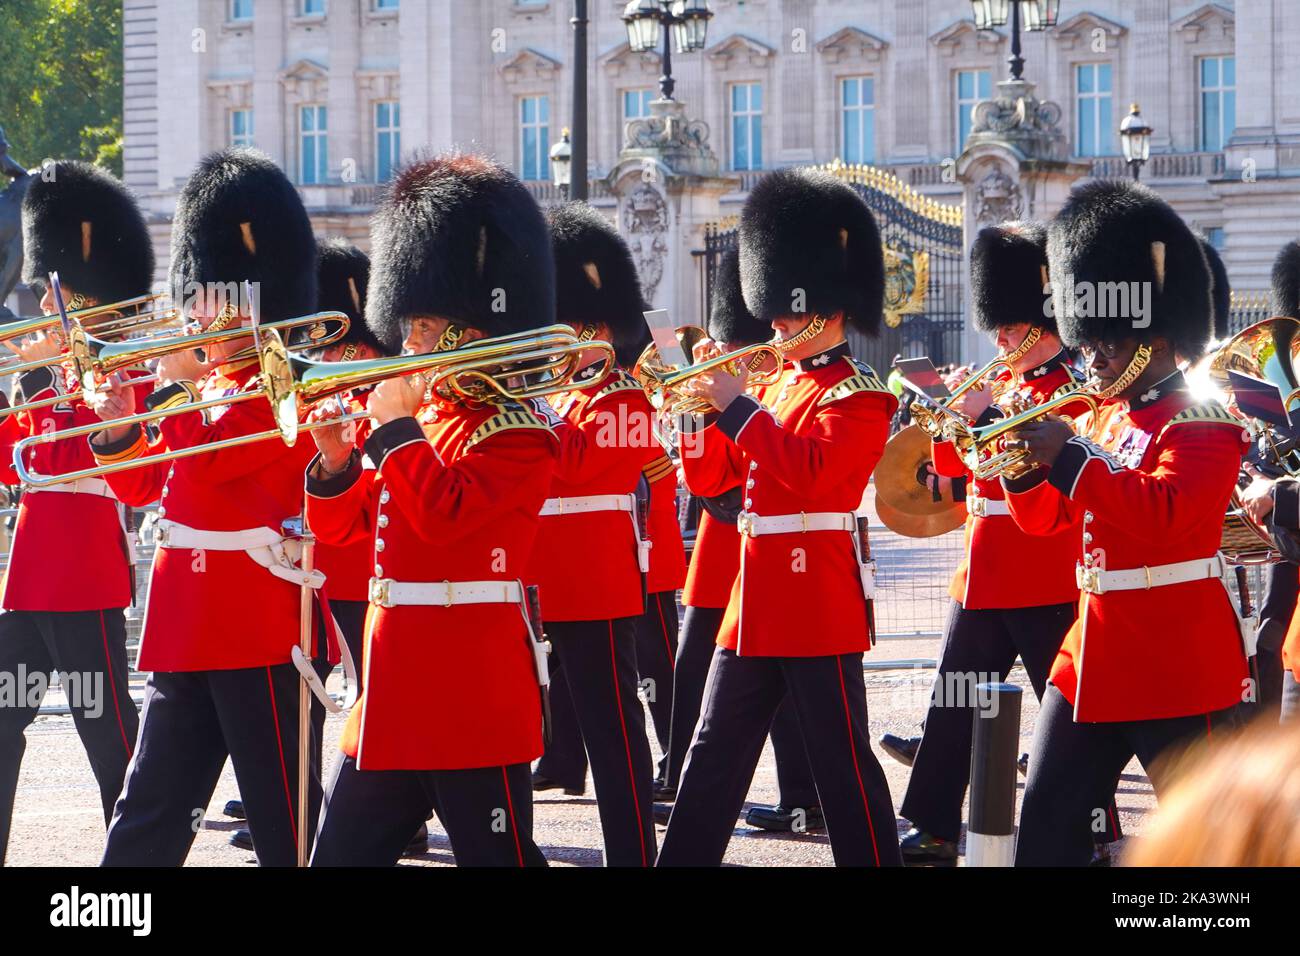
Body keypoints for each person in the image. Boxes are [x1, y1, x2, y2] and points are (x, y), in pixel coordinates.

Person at [308, 154, 556, 867]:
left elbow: (445, 517)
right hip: (391, 691)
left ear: (469, 331)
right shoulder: (422, 419)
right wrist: (334, 461)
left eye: (420, 328)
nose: (405, 344)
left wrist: (391, 432)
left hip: (469, 692)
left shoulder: (520, 432)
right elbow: (344, 532)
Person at [658, 168, 902, 867]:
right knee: (712, 754)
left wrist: (737, 406)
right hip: (755, 597)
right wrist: (698, 411)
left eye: (787, 314)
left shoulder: (858, 397)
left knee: (842, 761)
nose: (774, 326)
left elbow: (814, 479)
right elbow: (714, 482)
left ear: (827, 310)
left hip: (814, 599)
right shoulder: (774, 386)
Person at [87, 148, 324, 867]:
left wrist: (176, 390)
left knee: (285, 824)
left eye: (212, 300)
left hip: (258, 629)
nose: (197, 315)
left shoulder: (289, 387)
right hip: (183, 627)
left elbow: (215, 462)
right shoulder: (207, 387)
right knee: (147, 814)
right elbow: (145, 488)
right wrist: (120, 425)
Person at [1003, 179, 1250, 866]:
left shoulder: (1204, 423)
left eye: (1108, 341)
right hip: (1092, 656)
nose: (1093, 356)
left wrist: (1073, 458)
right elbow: (1045, 524)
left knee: (1212, 847)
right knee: (1045, 825)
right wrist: (1025, 470)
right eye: (1089, 341)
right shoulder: (1104, 418)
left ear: (1159, 336)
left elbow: (1167, 517)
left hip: (1175, 660)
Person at [884, 222, 1122, 865]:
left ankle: (1099, 830)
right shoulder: (1005, 385)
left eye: (1009, 329)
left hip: (1042, 572)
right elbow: (954, 474)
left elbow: (1045, 472)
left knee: (1073, 719)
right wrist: (950, 417)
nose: (1000, 340)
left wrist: (988, 415)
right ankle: (932, 823)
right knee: (953, 701)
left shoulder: (1074, 389)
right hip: (985, 574)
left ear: (1042, 322)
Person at [0, 160, 152, 862]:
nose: (55, 303)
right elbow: (12, 466)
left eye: (69, 294)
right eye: (54, 289)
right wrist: (25, 387)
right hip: (29, 582)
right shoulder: (42, 368)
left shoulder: (132, 370)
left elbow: (130, 471)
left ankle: (134, 865)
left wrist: (83, 390)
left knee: (108, 736)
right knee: (2, 724)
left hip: (86, 577)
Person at [523, 201, 660, 866]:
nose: (553, 338)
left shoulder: (626, 398)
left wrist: (532, 402)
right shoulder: (570, 394)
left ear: (597, 327)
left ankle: (632, 848)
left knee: (613, 725)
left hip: (597, 580)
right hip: (543, 576)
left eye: (565, 325)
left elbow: (575, 463)